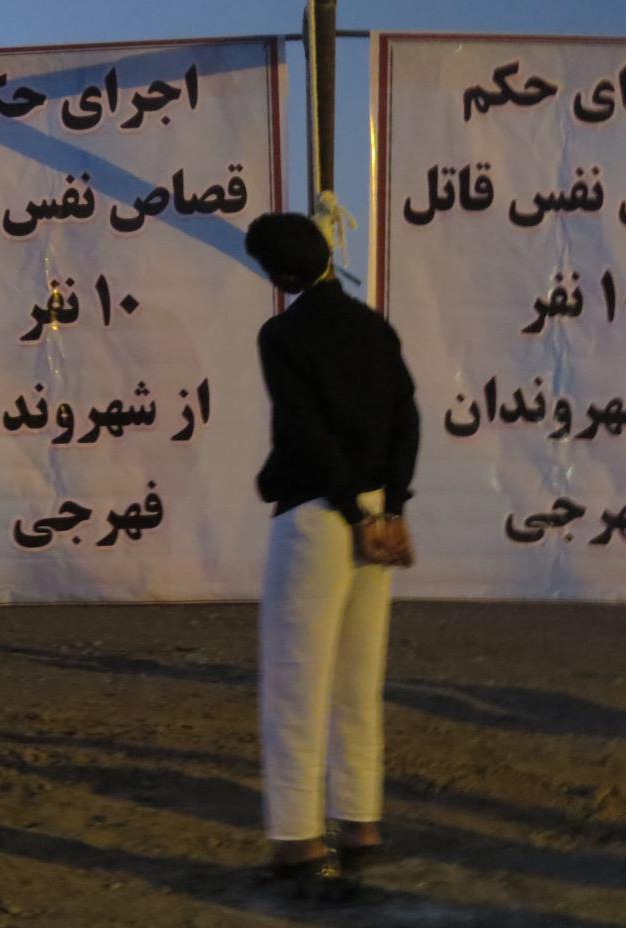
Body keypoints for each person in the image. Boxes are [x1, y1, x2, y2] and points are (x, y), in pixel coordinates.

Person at [244, 212, 420, 884]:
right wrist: (391, 509)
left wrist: (350, 512)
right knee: (357, 682)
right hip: (376, 510)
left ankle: (298, 843)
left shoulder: (282, 334)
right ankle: (360, 826)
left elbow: (305, 432)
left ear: (279, 273)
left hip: (319, 517)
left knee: (296, 683)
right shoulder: (374, 326)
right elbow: (406, 419)